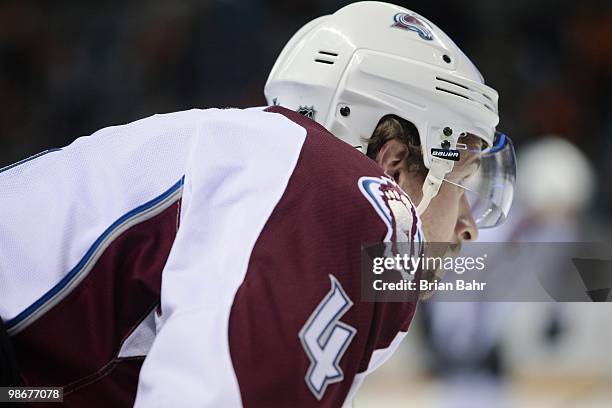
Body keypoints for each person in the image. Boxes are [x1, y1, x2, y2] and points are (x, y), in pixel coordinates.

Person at [0, 2, 515, 407]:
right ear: (394, 166)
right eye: (463, 182)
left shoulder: (259, 167)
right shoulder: (337, 189)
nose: (470, 227)